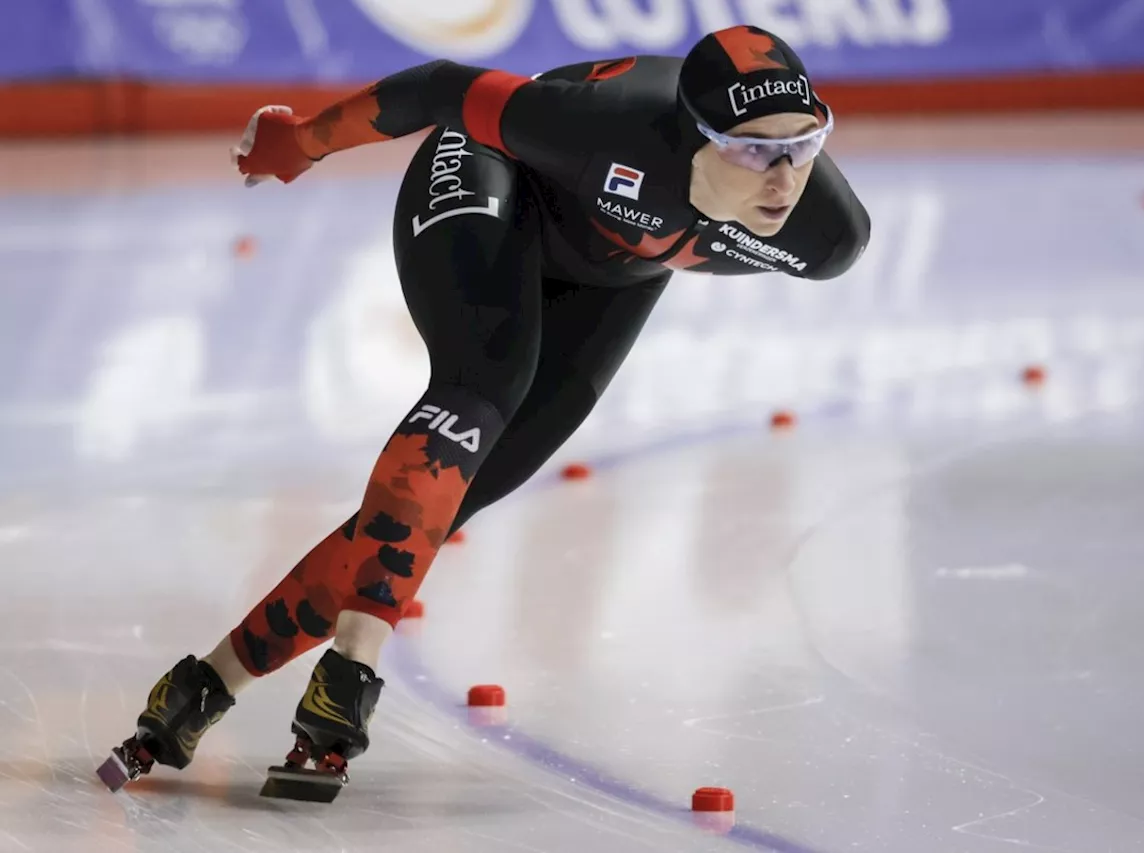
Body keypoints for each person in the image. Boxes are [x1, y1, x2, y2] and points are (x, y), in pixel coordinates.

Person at [97, 24, 871, 794]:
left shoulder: (825, 235)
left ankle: (203, 686)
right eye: (751, 150)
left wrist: (739, 182)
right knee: (483, 383)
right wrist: (303, 141)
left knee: (456, 496)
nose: (782, 178)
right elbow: (439, 89)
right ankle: (353, 664)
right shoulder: (604, 127)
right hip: (493, 172)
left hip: (613, 277)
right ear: (688, 136)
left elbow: (725, 207)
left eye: (803, 145)